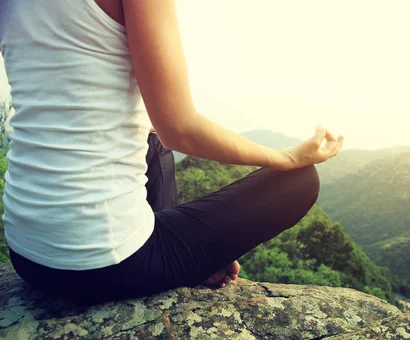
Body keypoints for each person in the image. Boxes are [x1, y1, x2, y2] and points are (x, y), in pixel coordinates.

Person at [0, 0, 343, 305]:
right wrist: (288, 157)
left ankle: (180, 258)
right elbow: (181, 129)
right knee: (299, 182)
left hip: (26, 248)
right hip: (98, 259)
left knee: (154, 143)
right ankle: (180, 265)